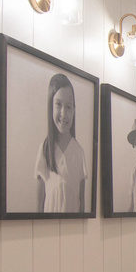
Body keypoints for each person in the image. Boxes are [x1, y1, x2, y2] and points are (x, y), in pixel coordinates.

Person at [35, 73, 87, 212]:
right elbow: (39, 204)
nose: (63, 113)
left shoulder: (79, 152)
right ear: (51, 107)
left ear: (74, 110)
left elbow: (82, 205)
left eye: (68, 106)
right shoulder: (44, 149)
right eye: (58, 105)